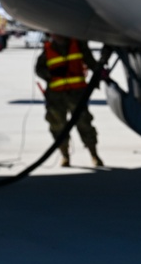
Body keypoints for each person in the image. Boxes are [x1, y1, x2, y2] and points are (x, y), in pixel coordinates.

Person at [35, 33, 104, 167]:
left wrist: (100, 74)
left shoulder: (78, 45)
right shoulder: (48, 48)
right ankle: (65, 156)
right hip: (56, 97)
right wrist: (50, 74)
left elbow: (91, 62)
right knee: (58, 126)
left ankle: (94, 155)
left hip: (76, 95)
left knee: (85, 124)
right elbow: (39, 69)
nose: (56, 36)